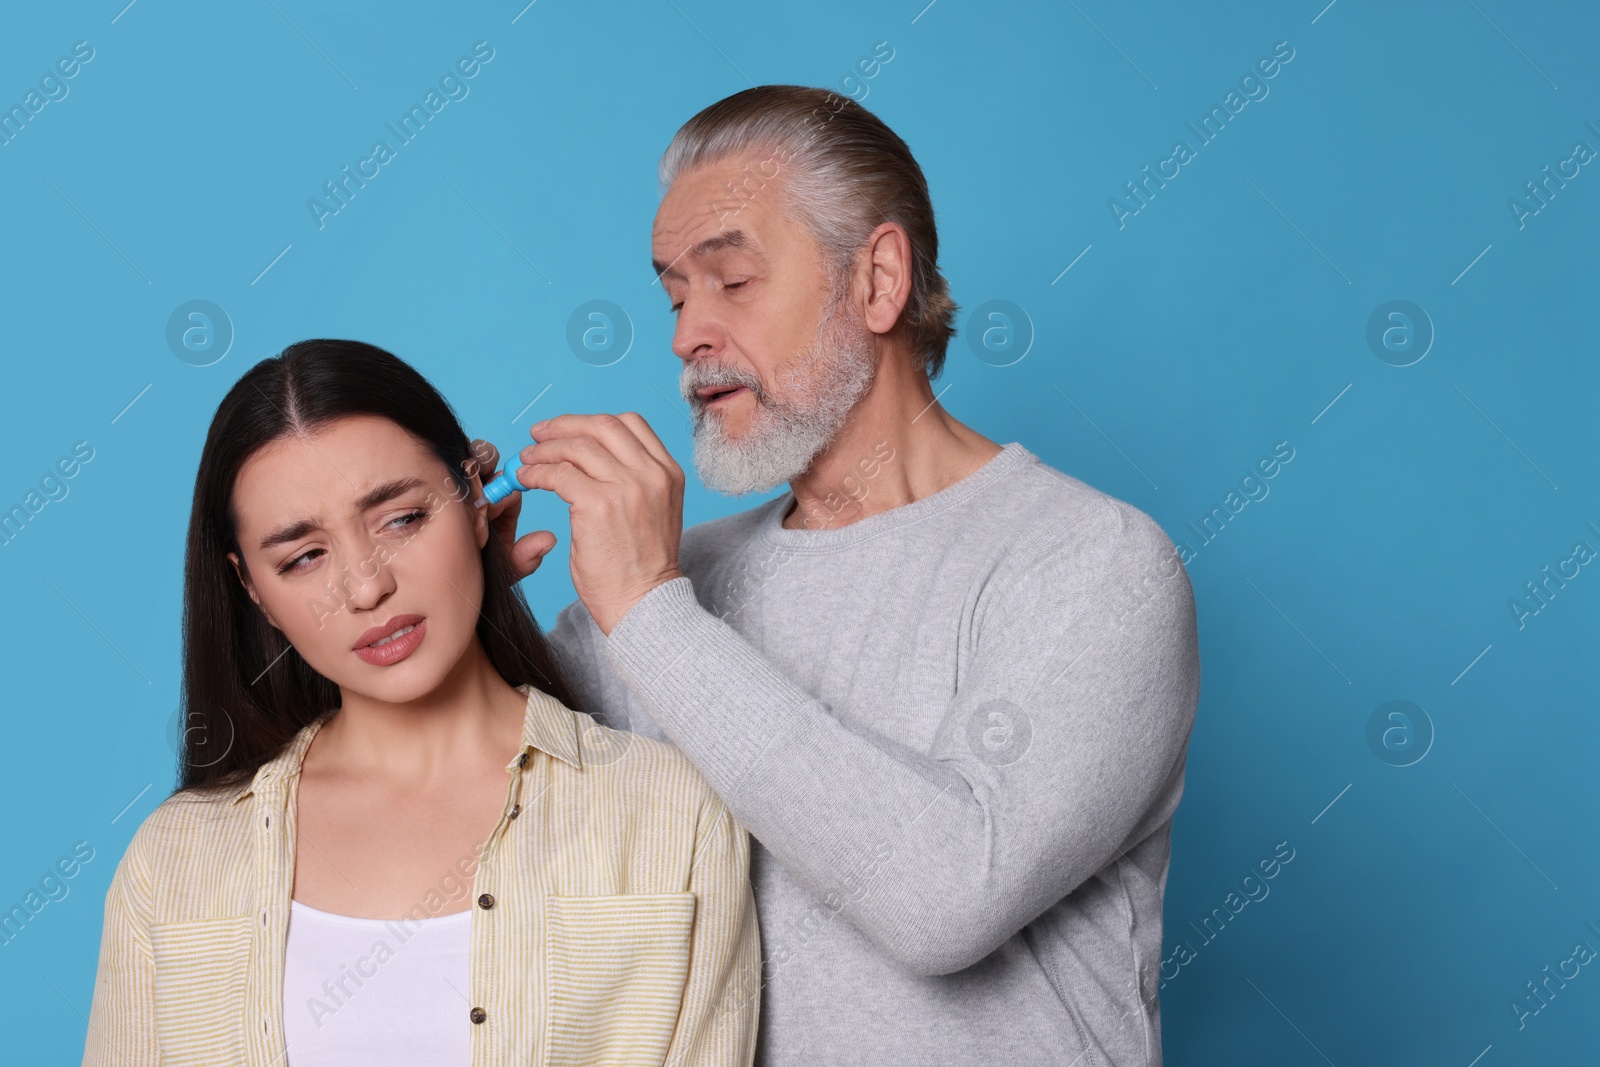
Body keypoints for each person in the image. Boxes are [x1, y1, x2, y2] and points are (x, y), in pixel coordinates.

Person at [472, 85, 1202, 1065]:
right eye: (674, 293)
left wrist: (650, 611)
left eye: (730, 279)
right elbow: (476, 823)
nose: (688, 333)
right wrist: (458, 597)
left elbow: (944, 897)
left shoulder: (1091, 561)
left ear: (877, 280)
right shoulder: (667, 581)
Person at [81, 339, 760, 1067]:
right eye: (303, 557)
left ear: (474, 501)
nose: (367, 587)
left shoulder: (667, 812)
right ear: (253, 591)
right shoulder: (175, 857)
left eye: (401, 519)